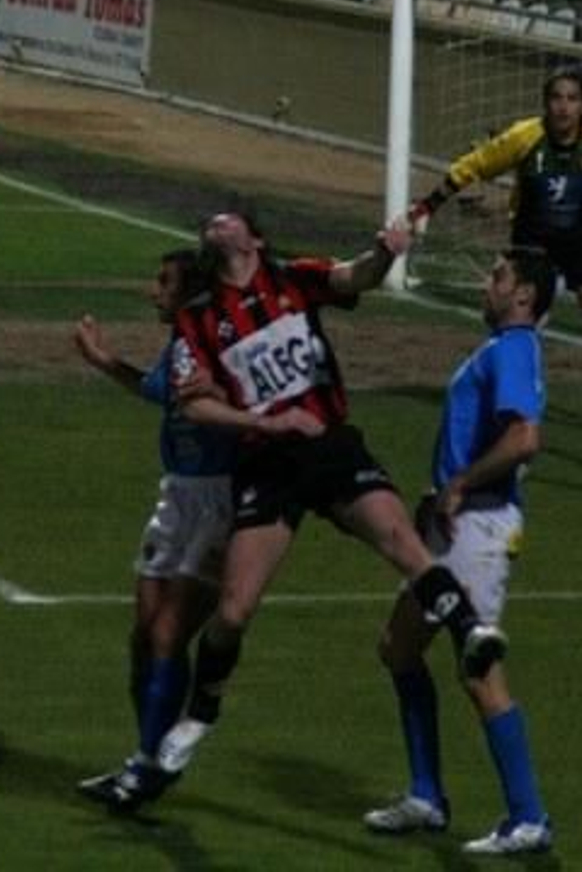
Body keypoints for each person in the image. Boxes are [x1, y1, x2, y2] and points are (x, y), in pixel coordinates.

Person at [85, 206, 502, 811]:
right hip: (266, 462)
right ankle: (201, 714)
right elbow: (193, 404)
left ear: (255, 236)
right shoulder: (200, 320)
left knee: (401, 542)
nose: (217, 223)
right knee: (233, 609)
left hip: (328, 443)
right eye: (212, 221)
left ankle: (472, 631)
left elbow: (352, 277)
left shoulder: (291, 279)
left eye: (229, 219)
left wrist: (386, 252)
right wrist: (266, 419)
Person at [362, 247, 556, 856]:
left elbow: (526, 438)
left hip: (481, 526)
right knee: (398, 647)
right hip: (454, 527)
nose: (487, 284)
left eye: (498, 276)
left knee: (478, 671)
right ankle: (426, 796)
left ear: (523, 295)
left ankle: (528, 818)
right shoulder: (502, 350)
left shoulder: (516, 349)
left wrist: (461, 483)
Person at [409, 68, 582, 442]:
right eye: (556, 98)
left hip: (579, 237)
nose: (563, 106)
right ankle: (510, 399)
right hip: (530, 241)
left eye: (572, 99)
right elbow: (473, 165)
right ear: (546, 104)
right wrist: (426, 208)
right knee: (521, 326)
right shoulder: (525, 137)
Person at [72, 250, 240, 807]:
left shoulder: (213, 342)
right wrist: (103, 361)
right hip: (176, 495)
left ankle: (151, 767)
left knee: (170, 632)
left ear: (190, 288)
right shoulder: (181, 346)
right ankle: (143, 758)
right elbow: (157, 391)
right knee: (143, 634)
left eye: (162, 282)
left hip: (219, 499)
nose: (152, 292)